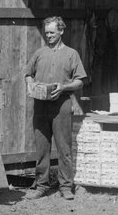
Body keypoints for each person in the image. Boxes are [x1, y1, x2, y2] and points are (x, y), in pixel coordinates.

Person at [24, 16, 87, 201]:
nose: (49, 35)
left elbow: (80, 82)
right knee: (42, 147)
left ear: (61, 31)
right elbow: (28, 74)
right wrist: (31, 84)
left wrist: (64, 87)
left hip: (62, 105)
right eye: (47, 33)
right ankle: (41, 185)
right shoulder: (39, 53)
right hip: (41, 105)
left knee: (64, 147)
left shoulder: (71, 54)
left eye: (52, 32)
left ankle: (66, 186)